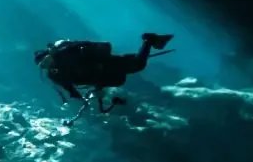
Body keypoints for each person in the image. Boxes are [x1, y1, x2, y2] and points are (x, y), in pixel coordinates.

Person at [34, 32, 174, 113]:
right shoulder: (55, 74)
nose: (45, 64)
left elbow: (85, 53)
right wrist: (81, 100)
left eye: (44, 60)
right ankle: (151, 42)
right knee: (133, 65)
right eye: (42, 65)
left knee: (137, 65)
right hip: (101, 76)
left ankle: (148, 40)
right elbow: (69, 88)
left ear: (48, 55)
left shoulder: (63, 53)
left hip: (105, 66)